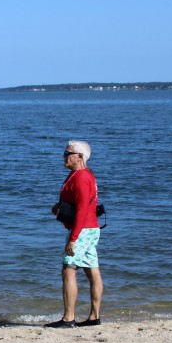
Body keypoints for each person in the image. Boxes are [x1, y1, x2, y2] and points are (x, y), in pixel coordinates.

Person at [45, 140, 103, 328]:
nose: (63, 156)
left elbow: (82, 209)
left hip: (82, 229)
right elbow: (76, 199)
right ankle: (94, 317)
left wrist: (73, 238)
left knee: (68, 269)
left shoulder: (82, 177)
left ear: (79, 157)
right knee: (91, 269)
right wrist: (59, 205)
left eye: (67, 153)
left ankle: (68, 318)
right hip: (89, 228)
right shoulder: (80, 174)